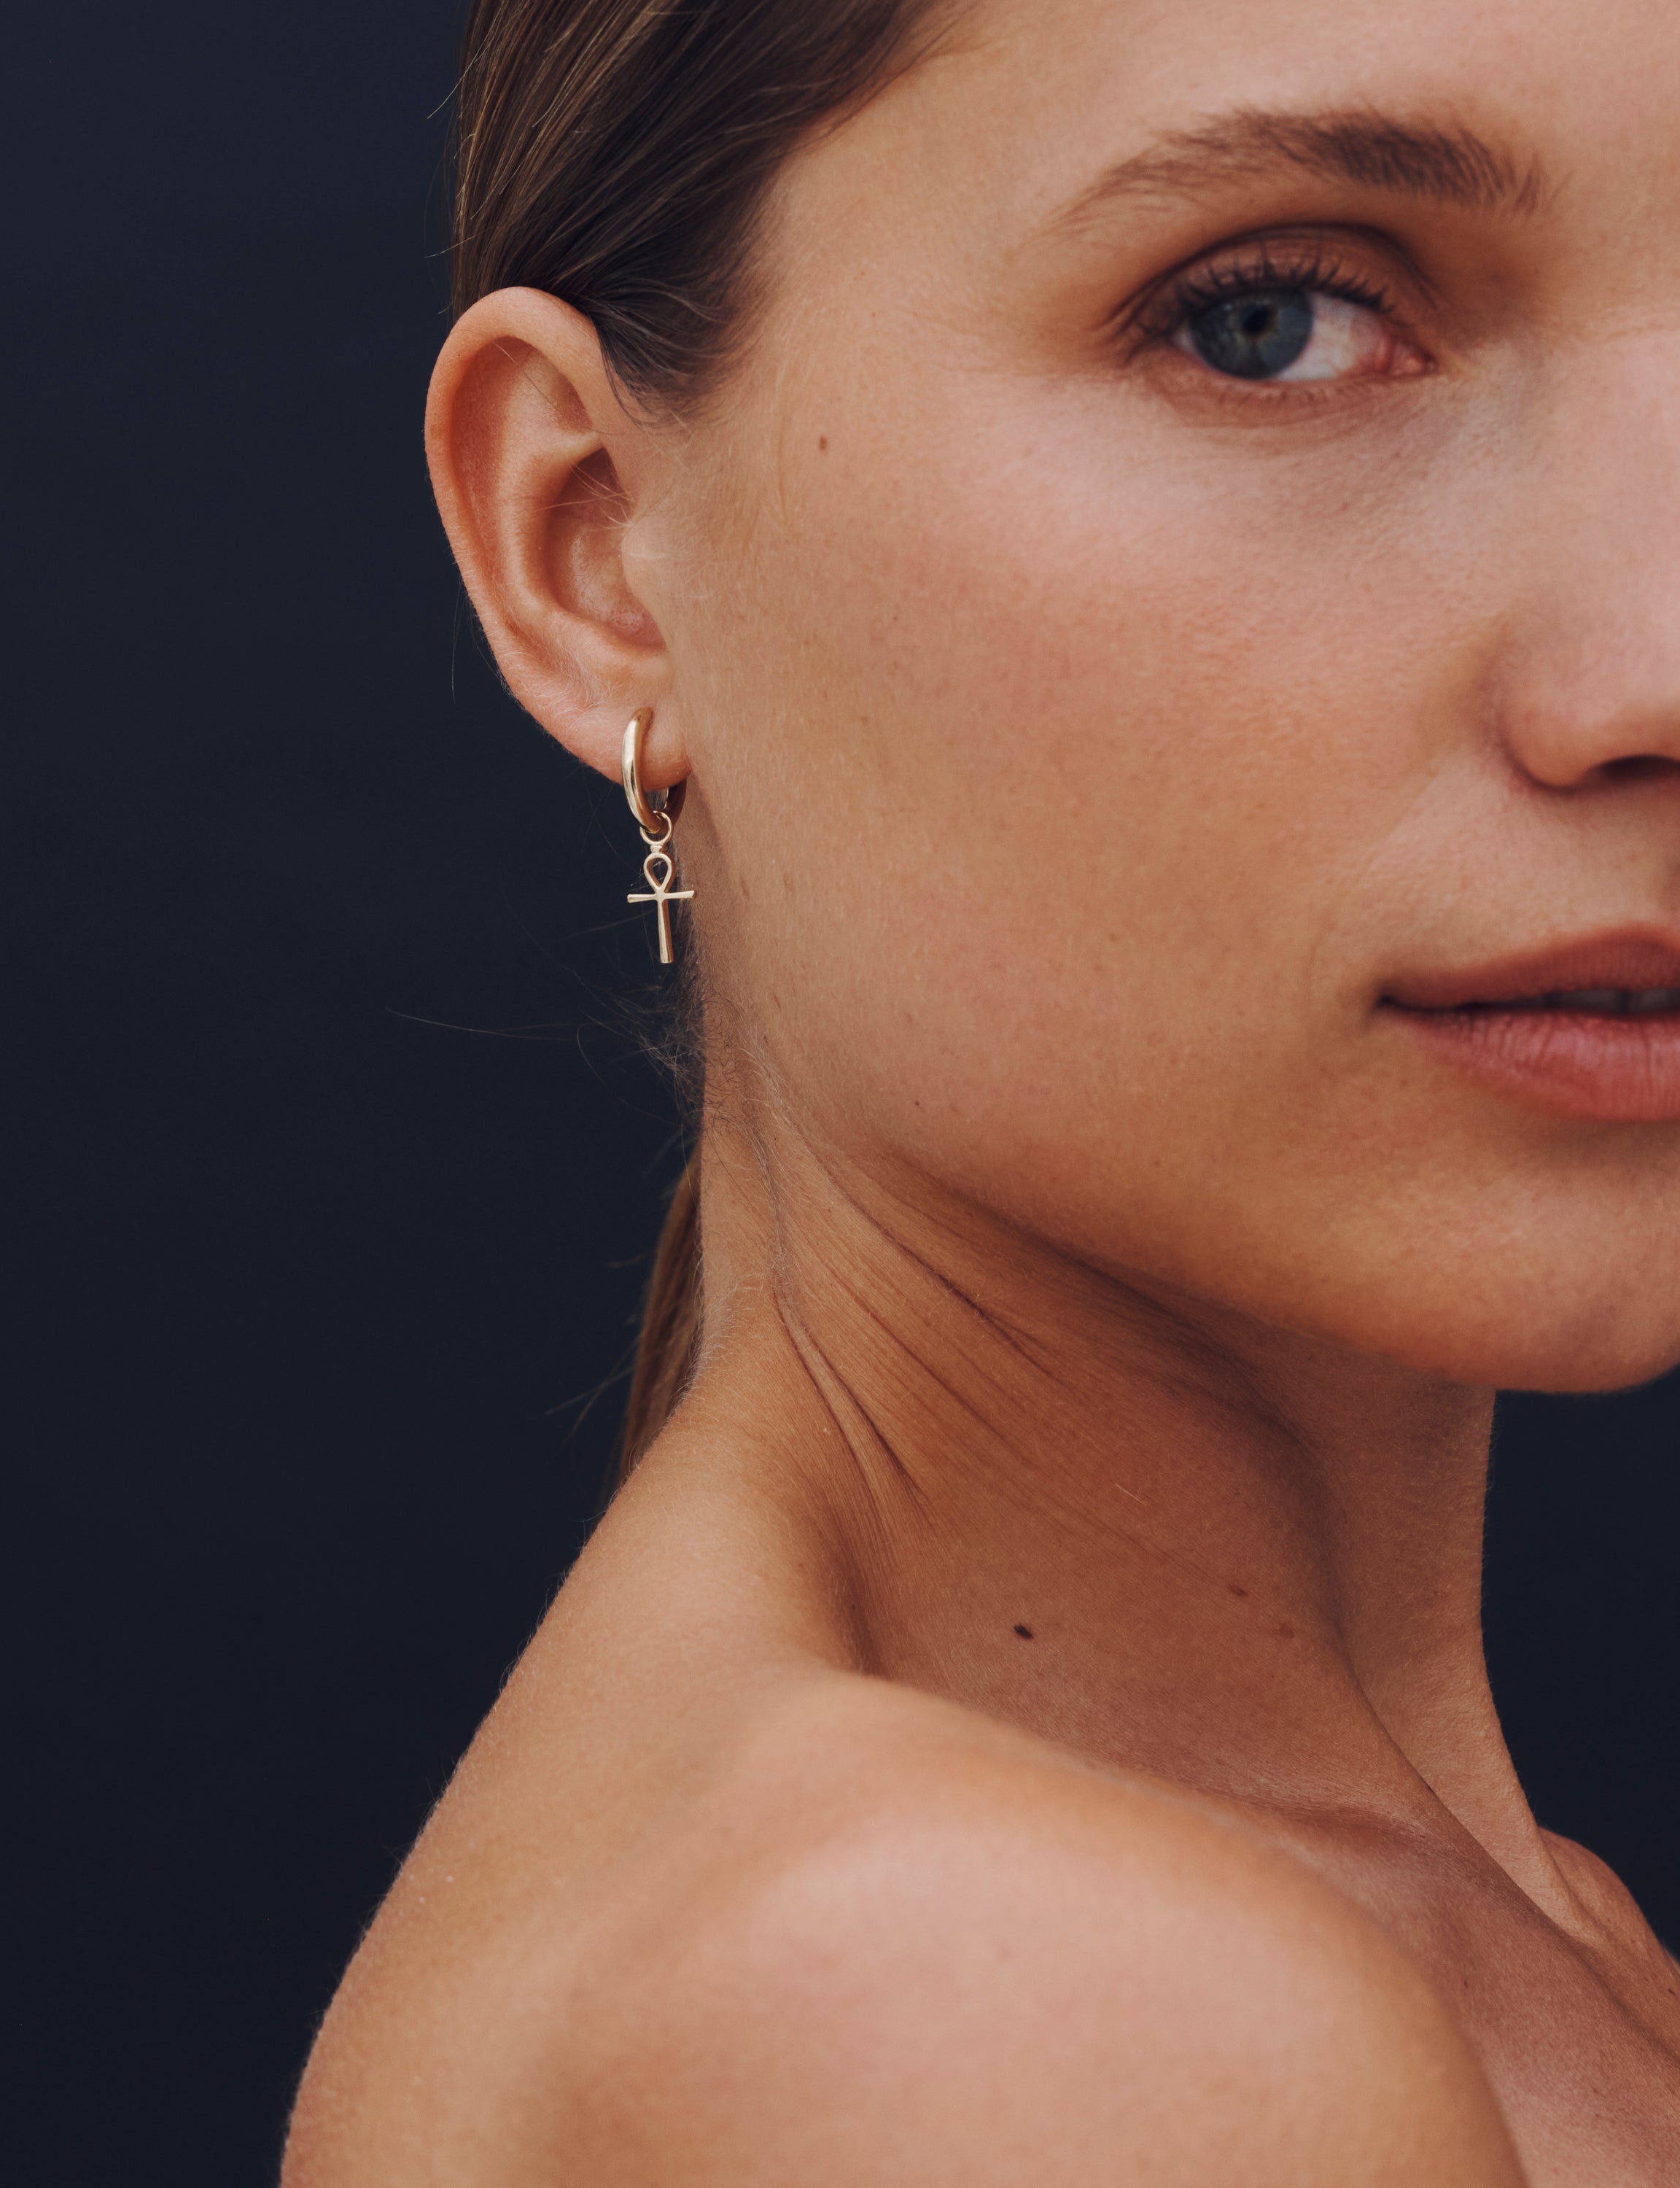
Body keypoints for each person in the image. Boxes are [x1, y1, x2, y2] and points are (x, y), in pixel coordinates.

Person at [283, 0, 1680, 2177]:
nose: (1653, 667)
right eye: (1271, 322)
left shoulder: (1518, 1948)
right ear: (592, 546)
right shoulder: (1005, 2014)